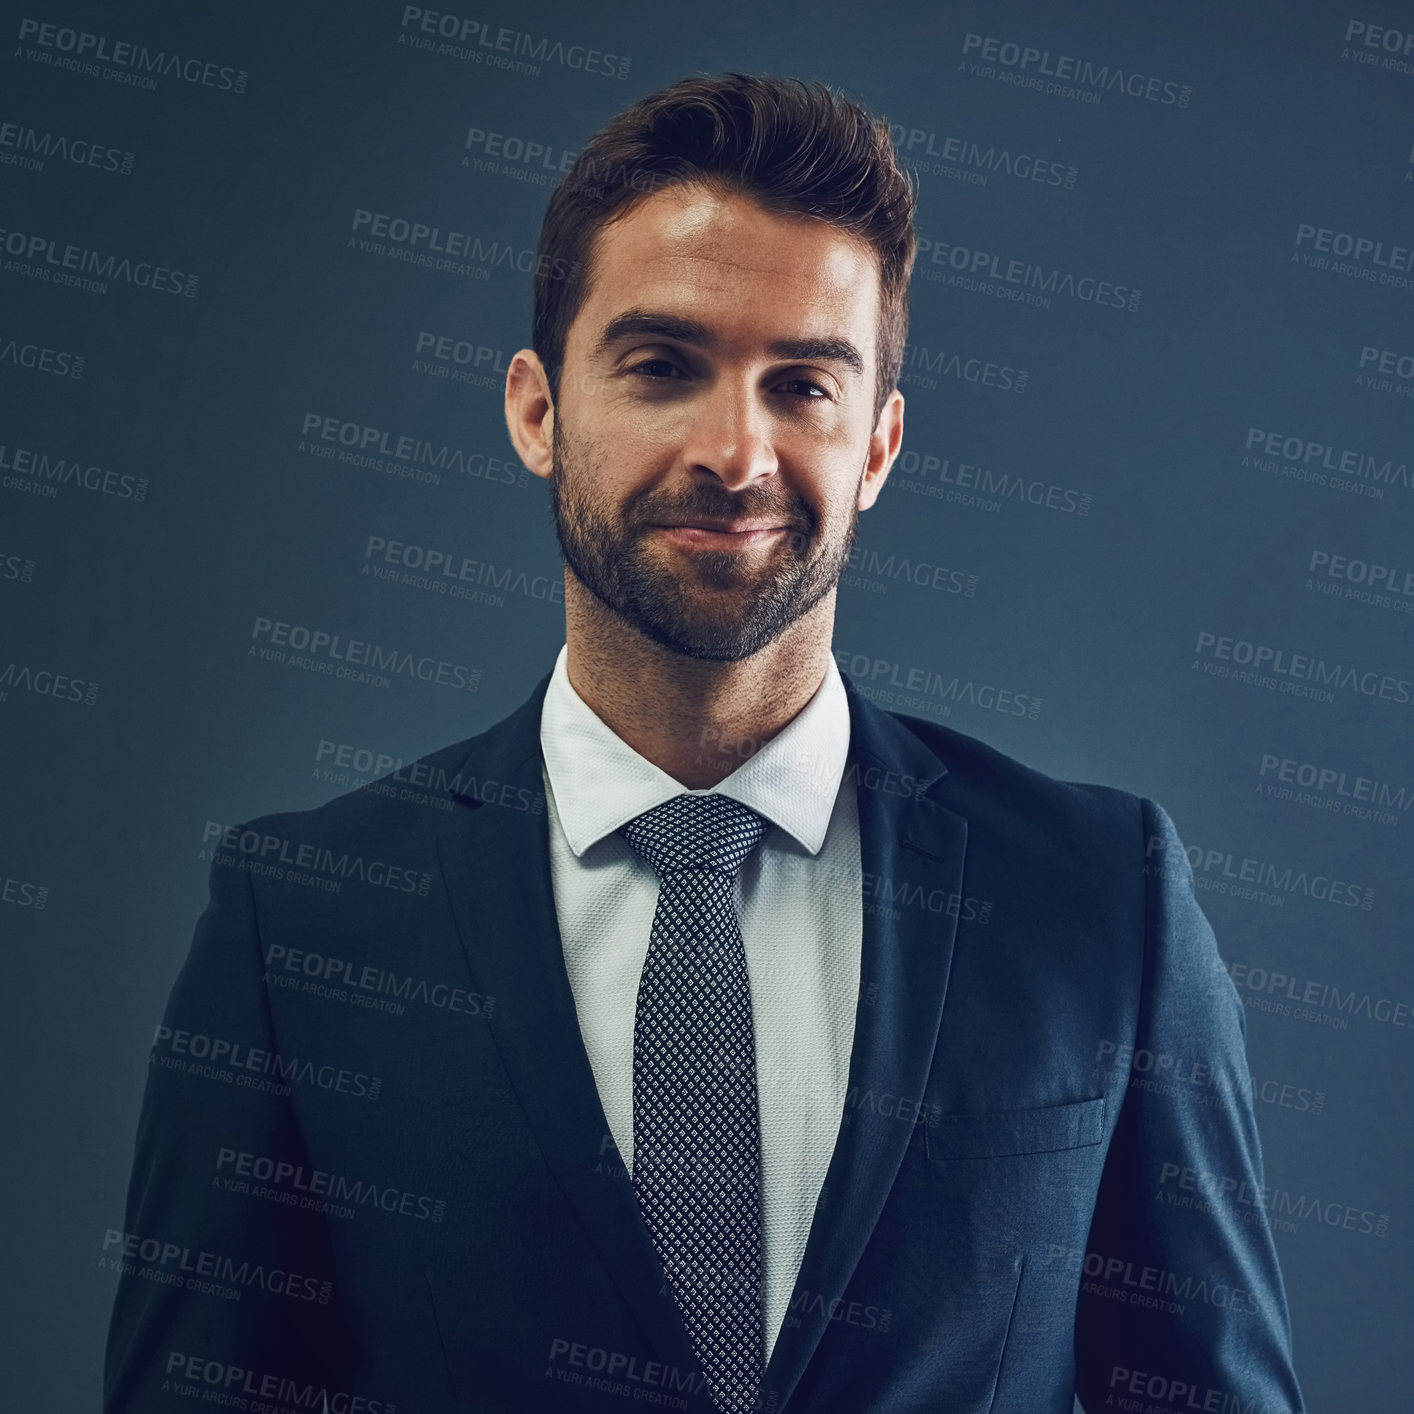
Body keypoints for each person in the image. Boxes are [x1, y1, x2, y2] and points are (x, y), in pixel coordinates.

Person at [104, 74, 1305, 1414]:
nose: (736, 452)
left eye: (801, 384)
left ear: (878, 447)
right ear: (536, 409)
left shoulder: (1099, 898)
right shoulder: (302, 922)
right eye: (663, 366)